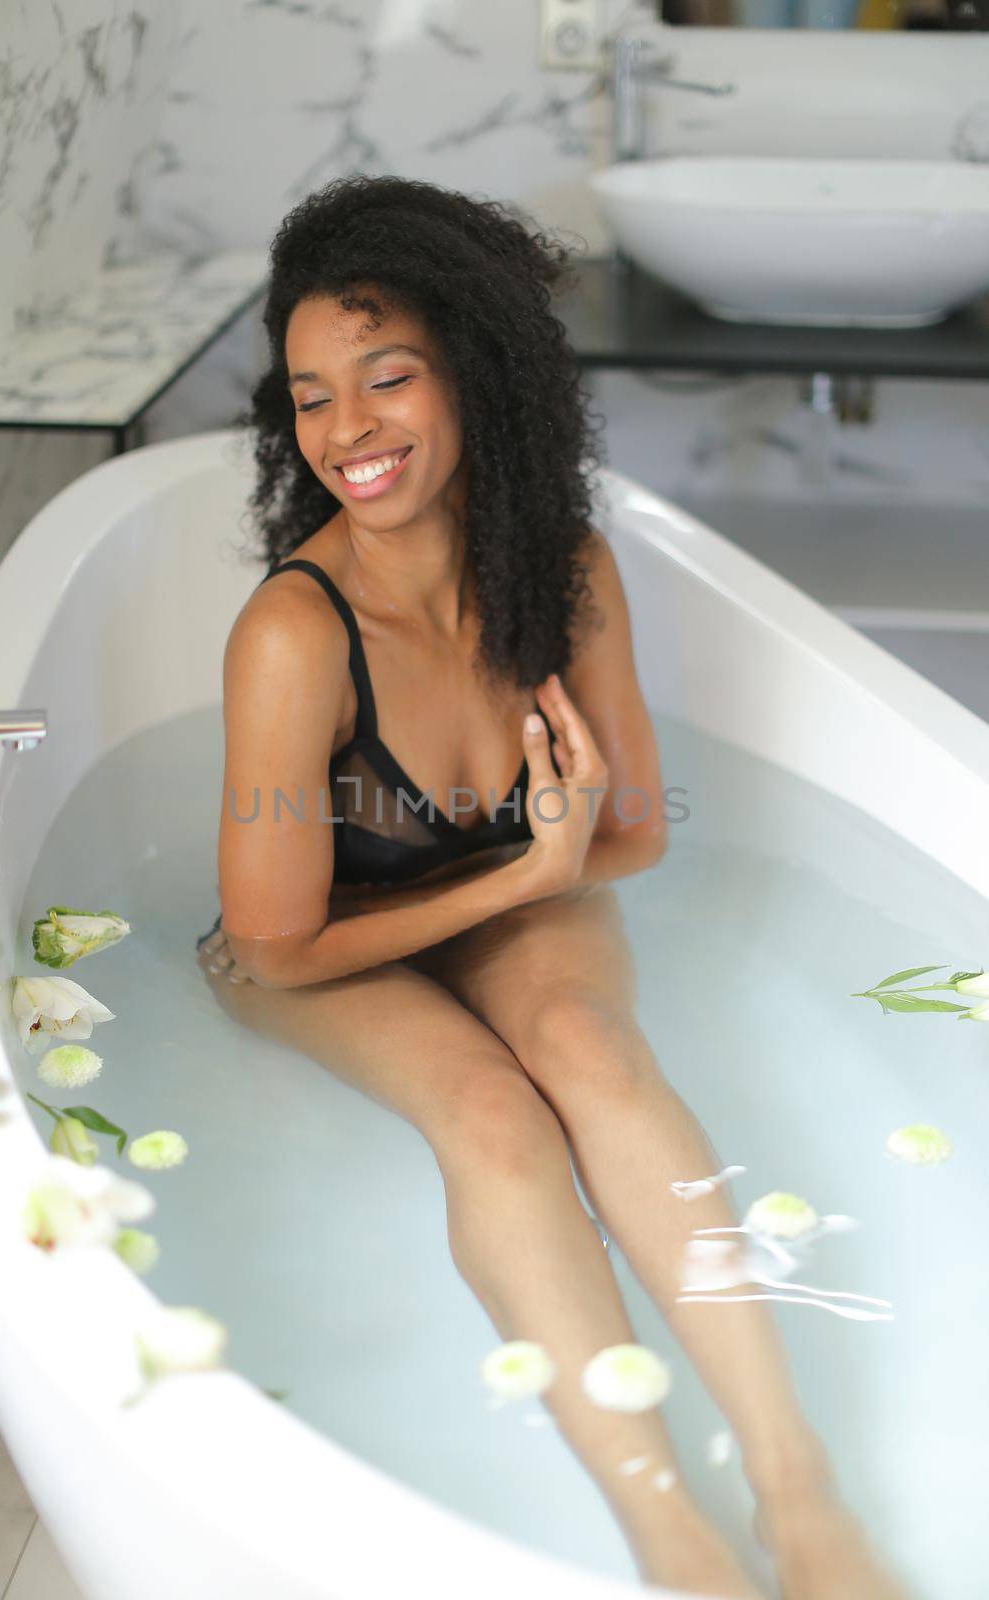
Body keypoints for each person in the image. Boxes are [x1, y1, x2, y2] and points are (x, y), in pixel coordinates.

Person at [196, 174, 907, 1598]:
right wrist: (530, 869)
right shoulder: (296, 629)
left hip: (524, 883)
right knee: (495, 1116)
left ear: (474, 370)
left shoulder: (562, 569)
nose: (348, 434)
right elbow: (276, 948)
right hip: (332, 942)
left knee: (585, 1046)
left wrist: (558, 861)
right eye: (313, 395)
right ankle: (671, 1534)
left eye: (386, 379)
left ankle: (796, 1486)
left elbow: (633, 829)